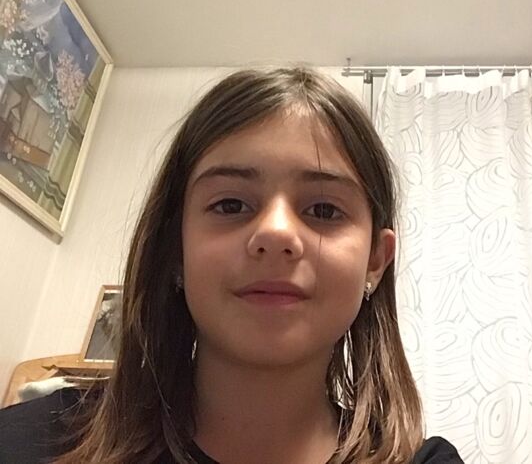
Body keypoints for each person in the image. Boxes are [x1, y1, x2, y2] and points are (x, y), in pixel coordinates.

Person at [0, 67, 463, 463]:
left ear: (375, 261)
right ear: (174, 249)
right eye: (230, 205)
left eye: (324, 210)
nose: (276, 234)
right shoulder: (32, 441)